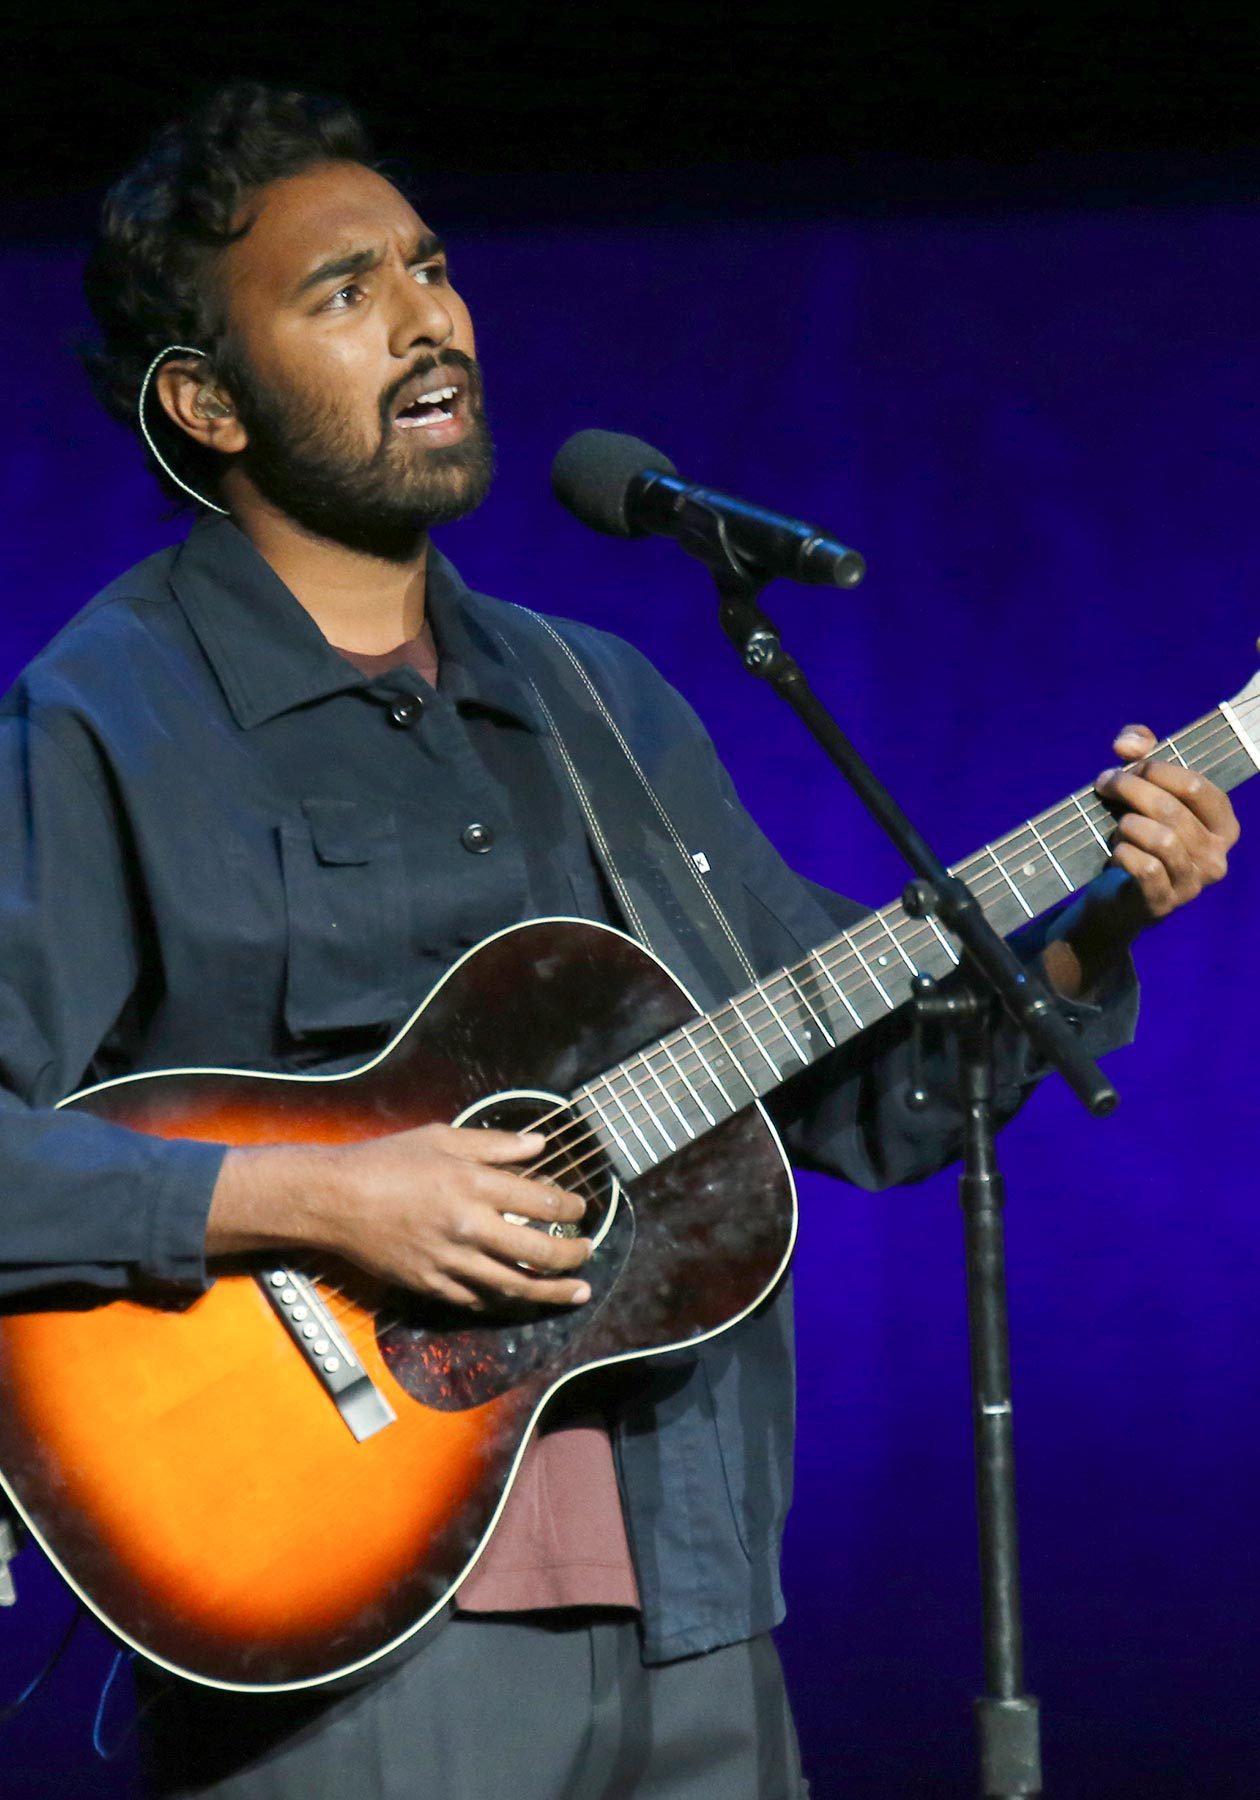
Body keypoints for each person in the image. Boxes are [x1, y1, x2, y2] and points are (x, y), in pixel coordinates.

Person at [0, 83, 1239, 1798]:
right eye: (344, 291)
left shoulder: (601, 700)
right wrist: (314, 1196)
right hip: (341, 1635)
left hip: (693, 1599)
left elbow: (871, 1105)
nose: (429, 316)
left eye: (430, 267)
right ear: (204, 400)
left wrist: (1097, 926)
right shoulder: (107, 715)